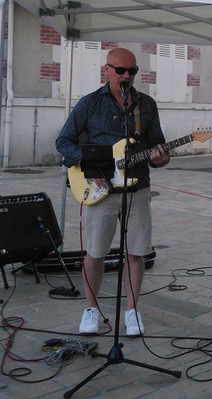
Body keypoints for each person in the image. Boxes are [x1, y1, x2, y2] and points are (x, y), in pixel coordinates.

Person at [56, 48, 169, 337]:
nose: (127, 76)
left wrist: (160, 157)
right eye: (121, 71)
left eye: (132, 71)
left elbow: (157, 144)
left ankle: (132, 311)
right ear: (107, 70)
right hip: (99, 189)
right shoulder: (90, 104)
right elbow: (64, 140)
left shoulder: (146, 105)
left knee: (137, 252)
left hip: (137, 187)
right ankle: (90, 309)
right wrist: (89, 168)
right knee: (94, 252)